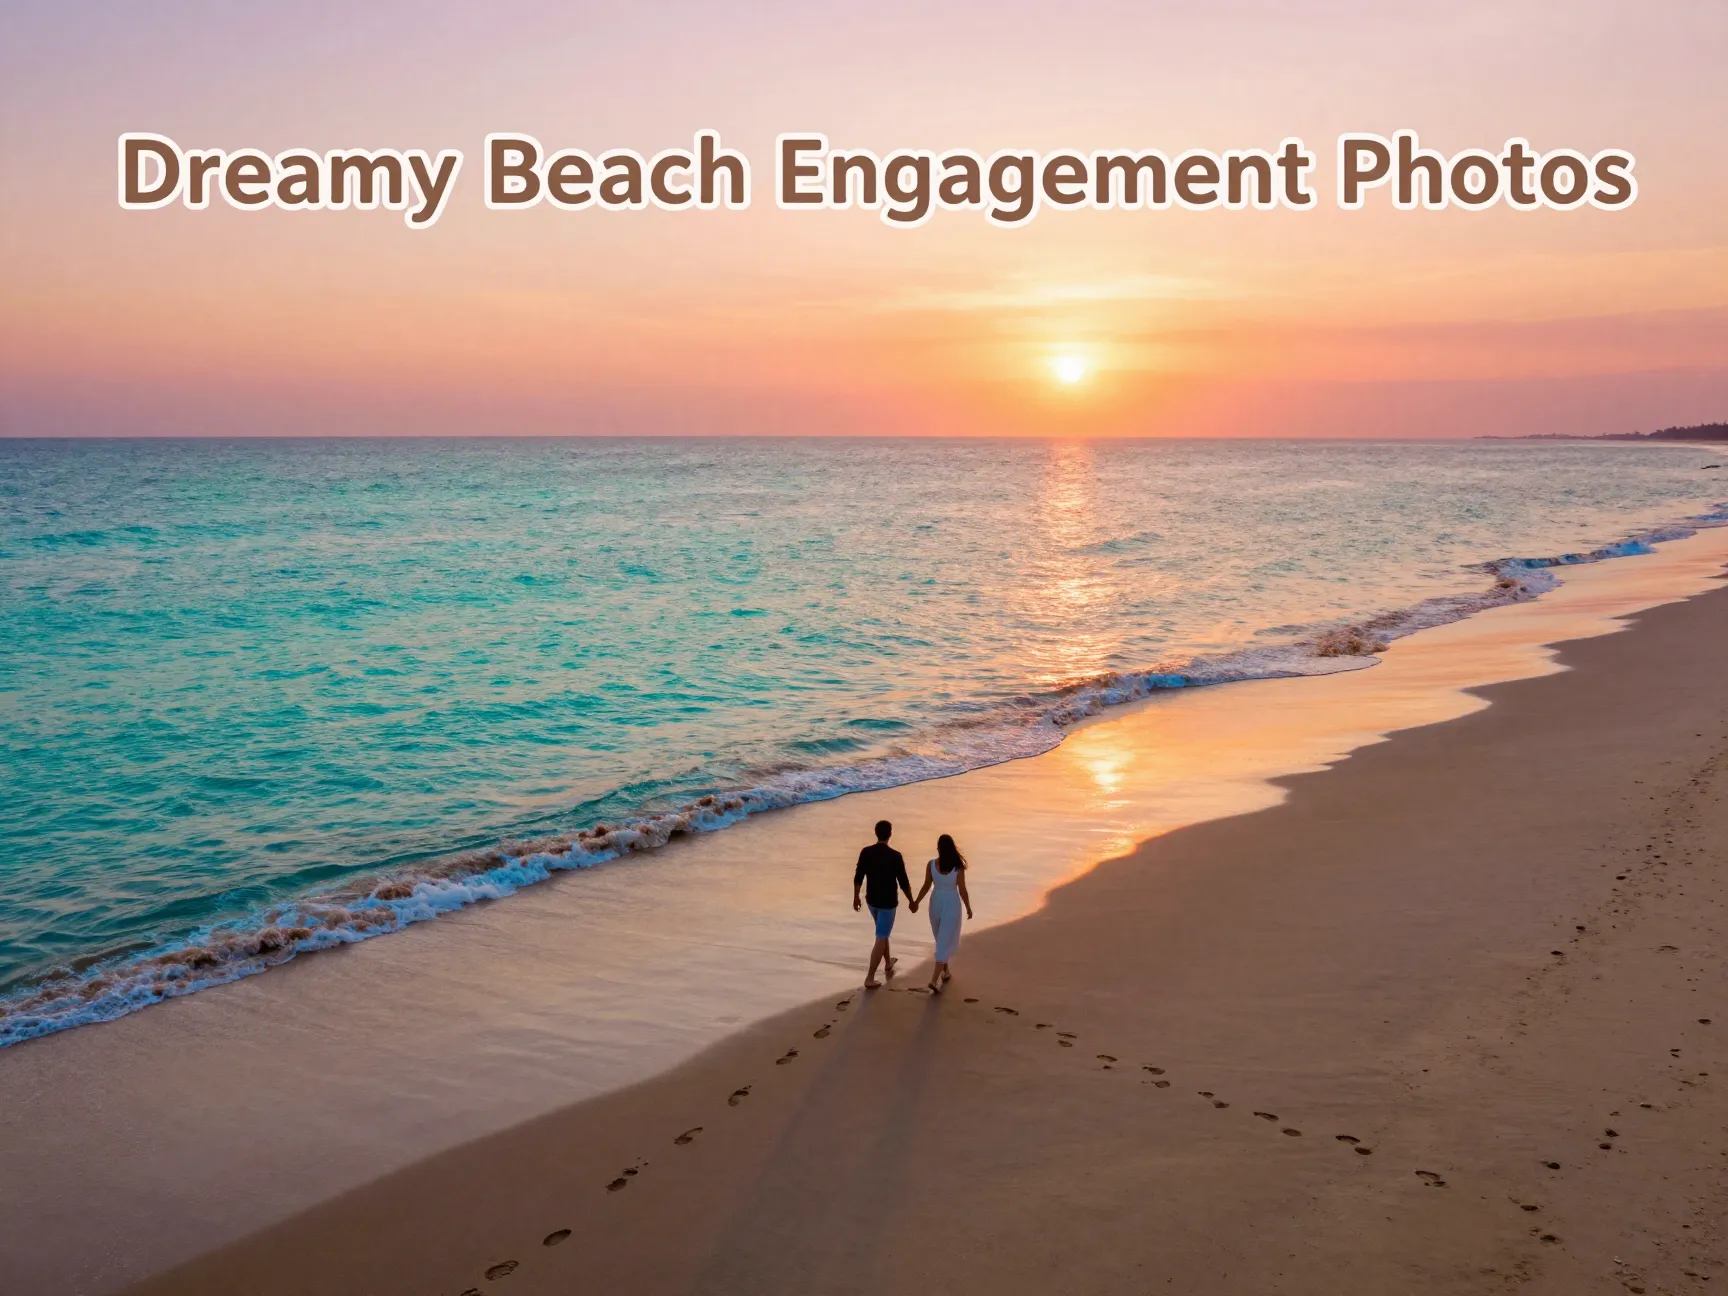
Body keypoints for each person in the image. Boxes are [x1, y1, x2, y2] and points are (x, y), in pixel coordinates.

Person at [853, 819, 914, 988]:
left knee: (882, 932)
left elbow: (858, 876)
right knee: (881, 936)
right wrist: (911, 901)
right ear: (890, 834)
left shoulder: (866, 852)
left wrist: (856, 896)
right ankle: (870, 977)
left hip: (871, 900)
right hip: (888, 903)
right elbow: (903, 882)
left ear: (876, 832)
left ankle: (888, 962)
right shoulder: (895, 856)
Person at [911, 833, 971, 993]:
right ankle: (935, 979)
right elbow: (962, 890)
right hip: (951, 903)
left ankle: (943, 973)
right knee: (942, 940)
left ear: (938, 848)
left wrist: (917, 902)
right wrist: (968, 907)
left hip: (935, 902)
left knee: (941, 939)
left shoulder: (931, 865)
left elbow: (926, 886)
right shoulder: (957, 867)